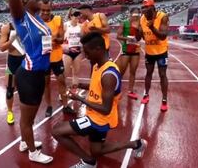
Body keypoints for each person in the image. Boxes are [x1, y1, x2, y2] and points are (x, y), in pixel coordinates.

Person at [52, 32, 147, 168]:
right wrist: (79, 85)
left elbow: (105, 109)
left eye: (87, 52)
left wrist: (79, 98)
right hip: (95, 115)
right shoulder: (98, 65)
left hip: (99, 120)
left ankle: (88, 162)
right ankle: (136, 144)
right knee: (97, 151)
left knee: (57, 131)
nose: (86, 56)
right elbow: (96, 86)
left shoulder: (108, 74)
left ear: (98, 49)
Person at [5, 0, 53, 164]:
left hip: (38, 74)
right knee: (27, 120)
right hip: (29, 75)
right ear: (24, 0)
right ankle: (33, 152)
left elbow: (43, 46)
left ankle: (25, 142)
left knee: (29, 118)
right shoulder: (21, 16)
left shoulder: (37, 17)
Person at [137, 0, 169, 112]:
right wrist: (137, 31)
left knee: (162, 75)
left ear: (153, 8)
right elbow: (139, 37)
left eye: (146, 7)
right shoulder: (142, 19)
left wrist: (152, 27)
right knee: (148, 73)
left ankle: (164, 100)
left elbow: (163, 36)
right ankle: (146, 95)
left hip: (161, 51)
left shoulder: (162, 17)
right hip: (149, 52)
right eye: (143, 8)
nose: (144, 10)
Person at [0, 22, 25, 125]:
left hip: (25, 59)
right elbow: (2, 48)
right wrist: (11, 41)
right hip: (12, 60)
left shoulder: (28, 24)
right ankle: (9, 112)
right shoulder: (7, 27)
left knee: (25, 89)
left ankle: (25, 113)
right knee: (10, 89)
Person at [116, 7, 141, 100]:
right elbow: (118, 36)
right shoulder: (124, 23)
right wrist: (127, 39)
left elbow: (139, 38)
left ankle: (130, 91)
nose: (136, 15)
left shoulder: (140, 24)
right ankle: (117, 90)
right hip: (126, 50)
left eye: (138, 14)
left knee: (133, 72)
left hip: (136, 50)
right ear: (130, 14)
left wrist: (138, 30)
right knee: (121, 71)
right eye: (134, 13)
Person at [63, 8, 84, 91]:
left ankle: (75, 91)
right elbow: (61, 38)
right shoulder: (65, 25)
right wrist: (64, 47)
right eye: (75, 15)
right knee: (65, 74)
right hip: (68, 51)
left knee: (76, 73)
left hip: (78, 51)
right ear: (70, 16)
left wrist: (82, 48)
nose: (77, 17)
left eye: (78, 15)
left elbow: (83, 38)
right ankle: (63, 92)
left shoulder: (81, 26)